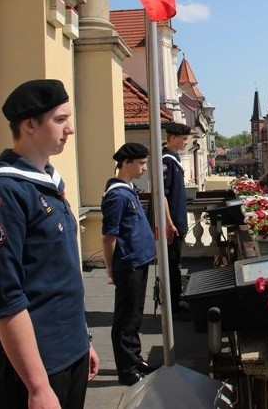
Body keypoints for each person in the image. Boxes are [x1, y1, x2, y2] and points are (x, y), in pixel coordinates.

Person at [0, 80, 98, 408]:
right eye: (60, 120)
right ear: (29, 125)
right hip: (30, 368)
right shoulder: (3, 194)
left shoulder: (48, 183)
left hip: (68, 350)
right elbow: (5, 297)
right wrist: (37, 387)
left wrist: (83, 340)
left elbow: (62, 275)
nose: (70, 129)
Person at [102, 143, 157, 386]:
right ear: (126, 163)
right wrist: (111, 267)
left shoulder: (128, 190)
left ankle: (134, 359)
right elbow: (108, 237)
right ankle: (126, 369)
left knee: (134, 316)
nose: (145, 168)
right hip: (129, 263)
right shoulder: (116, 195)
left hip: (139, 260)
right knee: (125, 318)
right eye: (141, 163)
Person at [163, 122, 193, 321]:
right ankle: (173, 306)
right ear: (173, 138)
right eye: (183, 139)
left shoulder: (174, 159)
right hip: (172, 222)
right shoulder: (167, 160)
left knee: (176, 262)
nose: (185, 143)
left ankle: (176, 300)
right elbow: (163, 195)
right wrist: (168, 222)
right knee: (172, 265)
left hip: (177, 220)